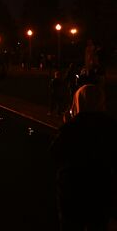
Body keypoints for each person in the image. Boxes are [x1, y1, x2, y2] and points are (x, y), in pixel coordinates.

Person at [50, 84, 117, 230]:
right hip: (101, 190)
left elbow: (55, 153)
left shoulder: (72, 128)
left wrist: (66, 124)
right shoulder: (111, 127)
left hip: (73, 190)